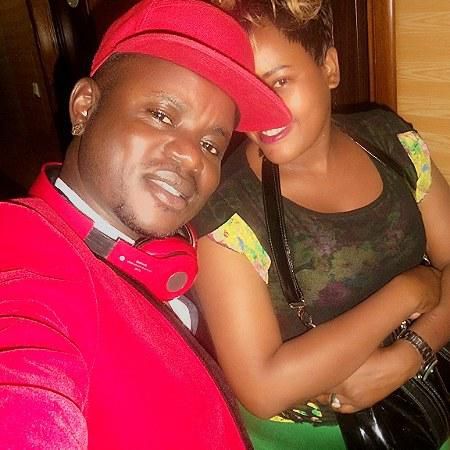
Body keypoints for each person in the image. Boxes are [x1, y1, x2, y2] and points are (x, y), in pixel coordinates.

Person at [0, 0, 291, 448]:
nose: (192, 157)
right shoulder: (26, 249)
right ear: (84, 108)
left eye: (211, 145)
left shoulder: (152, 256)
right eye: (161, 115)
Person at [191, 0, 450, 448]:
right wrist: (407, 292)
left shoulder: (391, 141)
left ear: (329, 67)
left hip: (429, 397)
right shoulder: (227, 211)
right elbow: (263, 387)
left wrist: (409, 355)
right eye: (246, 91)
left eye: (279, 81)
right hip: (306, 436)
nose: (264, 111)